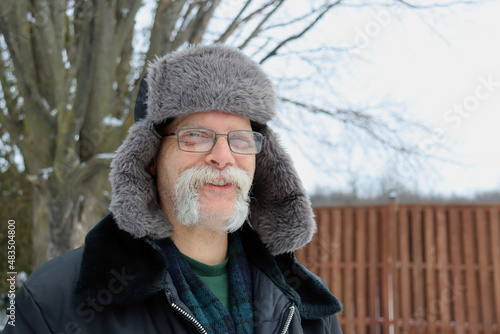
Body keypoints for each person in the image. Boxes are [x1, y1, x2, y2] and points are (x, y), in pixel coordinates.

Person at [4, 44, 342, 334]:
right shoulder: (56, 300)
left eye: (239, 139)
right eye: (195, 136)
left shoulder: (307, 306)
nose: (223, 158)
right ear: (150, 156)